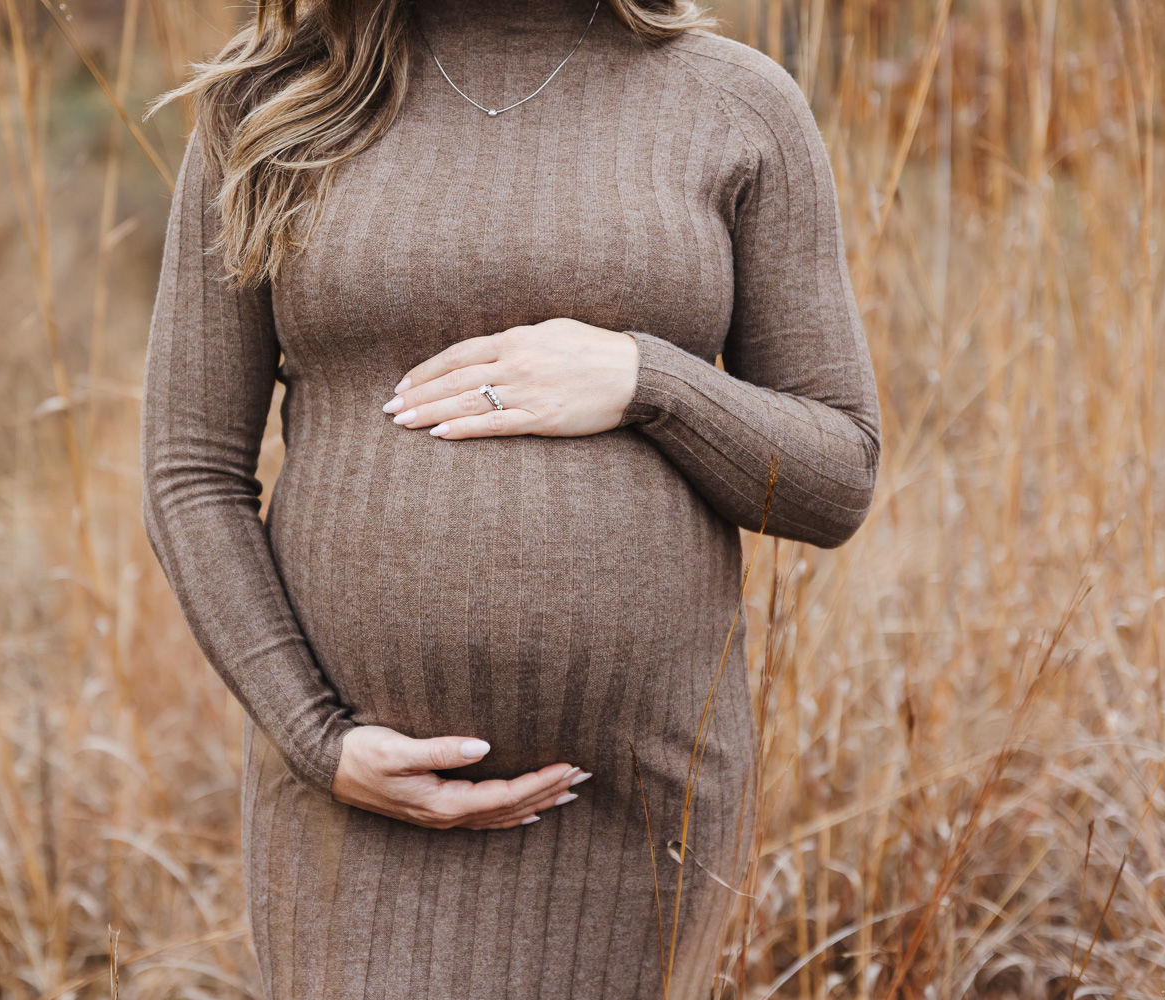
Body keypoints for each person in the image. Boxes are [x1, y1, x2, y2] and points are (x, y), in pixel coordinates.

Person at [139, 0, 880, 995]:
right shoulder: (276, 102)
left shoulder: (735, 104)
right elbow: (191, 469)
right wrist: (318, 737)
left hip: (635, 808)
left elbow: (837, 476)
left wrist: (643, 380)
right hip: (359, 803)